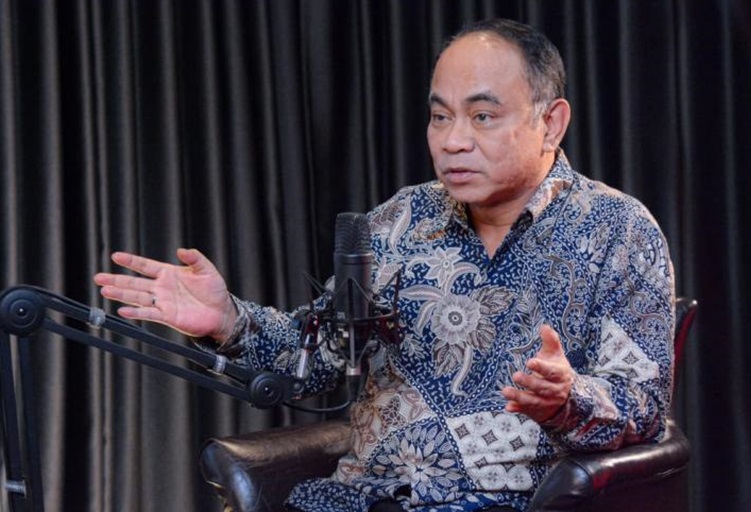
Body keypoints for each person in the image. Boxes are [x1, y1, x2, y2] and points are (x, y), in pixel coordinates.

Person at [94, 18, 675, 512]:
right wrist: (228, 321)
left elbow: (645, 409)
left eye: (482, 117)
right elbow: (318, 358)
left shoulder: (618, 231)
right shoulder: (399, 221)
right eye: (440, 117)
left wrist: (569, 400)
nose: (452, 142)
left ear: (550, 122)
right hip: (359, 498)